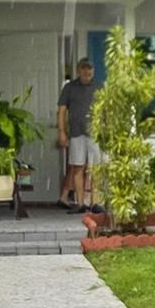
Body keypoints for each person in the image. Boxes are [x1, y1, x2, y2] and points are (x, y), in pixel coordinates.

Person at [57, 58, 103, 213]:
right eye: (83, 69)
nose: (87, 72)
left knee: (95, 168)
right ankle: (80, 203)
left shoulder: (99, 87)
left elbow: (105, 110)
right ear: (78, 70)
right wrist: (62, 131)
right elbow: (62, 110)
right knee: (77, 167)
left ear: (93, 71)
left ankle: (95, 203)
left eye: (89, 69)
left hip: (95, 133)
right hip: (76, 133)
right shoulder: (69, 88)